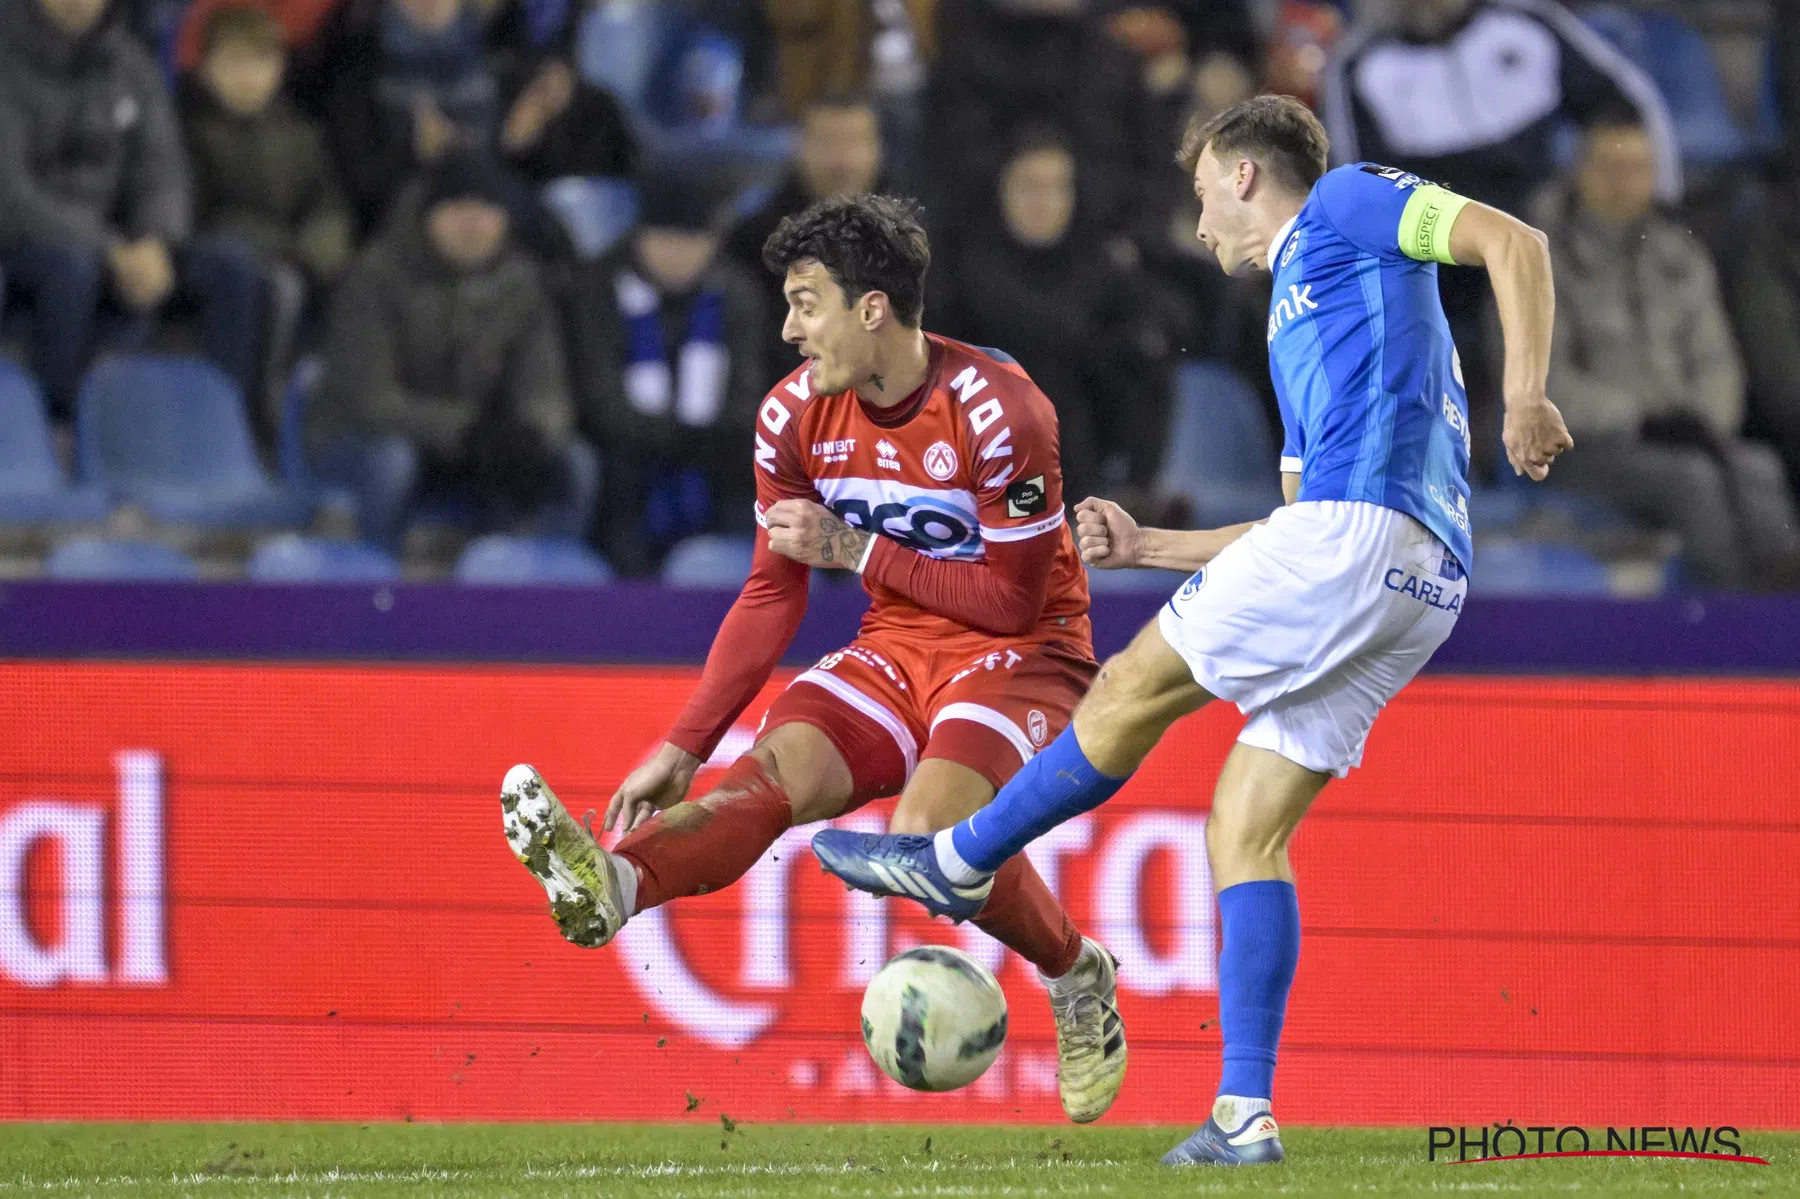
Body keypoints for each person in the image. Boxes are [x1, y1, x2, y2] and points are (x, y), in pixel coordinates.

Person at [812, 95, 1574, 1165]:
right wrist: (1148, 546)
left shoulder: (1348, 205)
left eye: (1203, 189)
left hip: (1367, 535)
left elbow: (1514, 240)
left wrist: (1525, 396)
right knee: (1246, 823)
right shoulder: (1305, 319)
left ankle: (962, 858)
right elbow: (1291, 534)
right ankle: (1242, 1114)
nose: (1201, 216)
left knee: (1128, 687)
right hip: (1419, 577)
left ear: (1245, 173)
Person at [500, 193, 1129, 1125]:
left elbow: (1012, 601)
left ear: (871, 309)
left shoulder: (1002, 410)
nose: (791, 330)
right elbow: (770, 590)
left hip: (1025, 653)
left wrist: (856, 551)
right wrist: (683, 743)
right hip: (896, 643)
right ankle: (617, 883)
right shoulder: (792, 416)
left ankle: (1077, 971)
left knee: (929, 835)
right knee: (770, 773)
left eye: (805, 303)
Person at [1320, 0, 1675, 479]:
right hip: (1443, 262)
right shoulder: (1360, 65)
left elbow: (1630, 107)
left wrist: (1659, 213)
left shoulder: (1531, 27)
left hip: (1546, 245)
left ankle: (1623, 429)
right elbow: (1357, 193)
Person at [1535, 114, 1799, 590]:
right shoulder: (1540, 262)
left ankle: (1782, 619)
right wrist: (1640, 419)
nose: (1623, 182)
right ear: (1580, 172)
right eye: (1609, 167)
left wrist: (1702, 421)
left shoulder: (1681, 255)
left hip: (1687, 437)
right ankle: (1733, 624)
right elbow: (1543, 385)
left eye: (1637, 167)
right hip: (1579, 448)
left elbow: (1719, 363)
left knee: (1758, 467)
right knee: (1692, 481)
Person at [309, 151, 595, 550]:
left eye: (486, 211)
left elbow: (546, 386)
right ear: (430, 214)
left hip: (474, 445)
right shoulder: (375, 276)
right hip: (366, 438)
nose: (473, 225)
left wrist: (529, 433)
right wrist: (468, 430)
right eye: (459, 209)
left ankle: (540, 594)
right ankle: (375, 585)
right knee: (393, 462)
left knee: (572, 463)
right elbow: (369, 400)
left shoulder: (523, 283)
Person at [0, 0, 266, 415]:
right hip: (33, 245)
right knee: (70, 269)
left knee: (230, 267)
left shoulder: (131, 64)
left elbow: (163, 171)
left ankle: (221, 424)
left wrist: (156, 240)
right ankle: (56, 424)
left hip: (126, 245)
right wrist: (108, 247)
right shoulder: (7, 61)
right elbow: (11, 196)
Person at [569, 169, 769, 576]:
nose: (677, 253)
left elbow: (748, 391)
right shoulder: (597, 289)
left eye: (691, 241)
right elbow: (598, 396)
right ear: (641, 236)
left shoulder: (738, 294)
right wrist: (678, 438)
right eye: (664, 239)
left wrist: (709, 440)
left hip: (717, 455)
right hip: (625, 454)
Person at [180, 2, 353, 423]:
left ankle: (322, 415)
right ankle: (251, 412)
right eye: (234, 62)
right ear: (206, 68)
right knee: (281, 285)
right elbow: (199, 215)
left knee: (350, 280)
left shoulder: (300, 134)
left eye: (261, 61)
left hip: (293, 259)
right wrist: (286, 250)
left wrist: (318, 253)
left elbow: (327, 207)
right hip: (219, 258)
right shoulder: (189, 129)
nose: (249, 77)